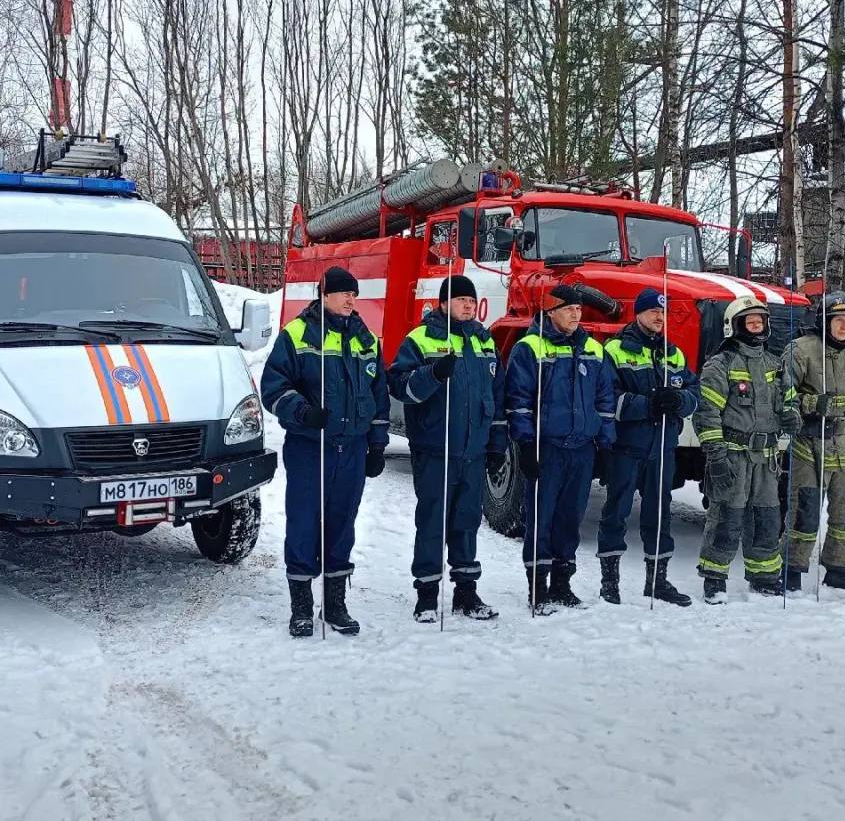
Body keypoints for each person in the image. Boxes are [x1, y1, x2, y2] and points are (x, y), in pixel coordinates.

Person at [260, 266, 390, 636]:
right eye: (344, 293)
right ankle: (301, 606)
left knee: (342, 525)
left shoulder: (366, 339)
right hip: (309, 447)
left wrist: (377, 445)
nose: (351, 300)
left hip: (350, 449)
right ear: (325, 295)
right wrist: (301, 410)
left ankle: (335, 605)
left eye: (355, 294)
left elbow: (378, 395)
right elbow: (273, 386)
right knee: (303, 523)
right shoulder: (299, 335)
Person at [389, 275, 505, 622]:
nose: (469, 305)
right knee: (433, 523)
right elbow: (400, 387)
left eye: (472, 301)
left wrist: (497, 443)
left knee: (467, 522)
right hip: (435, 449)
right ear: (443, 303)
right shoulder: (421, 339)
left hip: (473, 451)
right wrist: (434, 374)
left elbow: (497, 397)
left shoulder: (484, 341)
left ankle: (466, 594)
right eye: (462, 300)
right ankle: (426, 596)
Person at [505, 284, 617, 614]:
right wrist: (525, 444)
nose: (575, 314)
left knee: (570, 519)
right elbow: (518, 402)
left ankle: (562, 584)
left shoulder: (594, 350)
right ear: (552, 310)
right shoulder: (530, 348)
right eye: (569, 309)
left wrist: (605, 446)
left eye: (579, 310)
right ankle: (537, 588)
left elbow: (605, 401)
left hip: (581, 450)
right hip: (546, 448)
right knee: (541, 518)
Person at [694, 295, 800, 604]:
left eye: (760, 321)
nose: (756, 327)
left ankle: (764, 576)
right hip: (732, 455)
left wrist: (790, 416)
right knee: (727, 516)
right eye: (749, 322)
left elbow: (787, 400)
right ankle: (714, 579)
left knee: (767, 517)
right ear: (734, 326)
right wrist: (715, 457)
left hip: (766, 459)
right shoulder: (720, 364)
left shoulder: (775, 363)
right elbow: (707, 415)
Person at [597, 287, 699, 607]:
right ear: (638, 313)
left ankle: (657, 580)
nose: (659, 317)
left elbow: (694, 392)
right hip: (627, 447)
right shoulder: (615, 349)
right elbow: (606, 399)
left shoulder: (674, 353)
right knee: (616, 512)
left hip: (662, 447)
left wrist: (680, 400)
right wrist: (648, 405)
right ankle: (609, 582)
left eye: (663, 313)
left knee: (659, 513)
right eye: (653, 311)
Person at [782, 291, 845, 593]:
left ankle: (839, 569)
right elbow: (781, 397)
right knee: (804, 511)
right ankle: (792, 569)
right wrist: (811, 403)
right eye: (838, 320)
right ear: (825, 321)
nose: (844, 326)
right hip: (809, 445)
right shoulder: (800, 351)